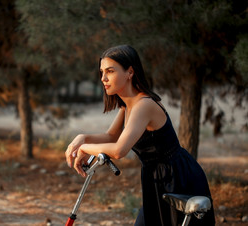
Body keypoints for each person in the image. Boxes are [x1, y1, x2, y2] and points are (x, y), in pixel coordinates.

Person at [65, 45, 215, 225]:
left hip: (178, 178)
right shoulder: (127, 105)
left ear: (130, 72)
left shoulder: (144, 105)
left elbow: (119, 150)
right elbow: (112, 136)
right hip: (156, 177)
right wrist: (83, 137)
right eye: (102, 72)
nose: (103, 78)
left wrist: (84, 148)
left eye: (110, 71)